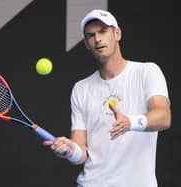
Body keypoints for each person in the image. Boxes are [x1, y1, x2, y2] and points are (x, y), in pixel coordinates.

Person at [44, 9, 171, 187]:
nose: (97, 39)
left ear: (117, 34)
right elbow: (81, 152)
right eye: (90, 35)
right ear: (87, 44)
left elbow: (163, 117)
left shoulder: (147, 72)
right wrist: (69, 150)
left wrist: (130, 122)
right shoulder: (81, 89)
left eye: (103, 31)